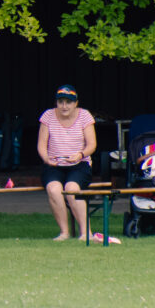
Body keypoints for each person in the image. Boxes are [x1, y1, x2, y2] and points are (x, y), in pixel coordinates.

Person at [38, 84, 99, 242]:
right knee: (54, 189)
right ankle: (64, 232)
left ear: (76, 103)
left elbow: (92, 145)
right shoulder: (48, 116)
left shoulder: (85, 115)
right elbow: (41, 145)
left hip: (79, 163)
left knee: (72, 188)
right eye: (61, 102)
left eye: (68, 102)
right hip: (54, 164)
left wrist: (80, 155)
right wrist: (47, 159)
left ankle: (86, 232)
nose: (64, 106)